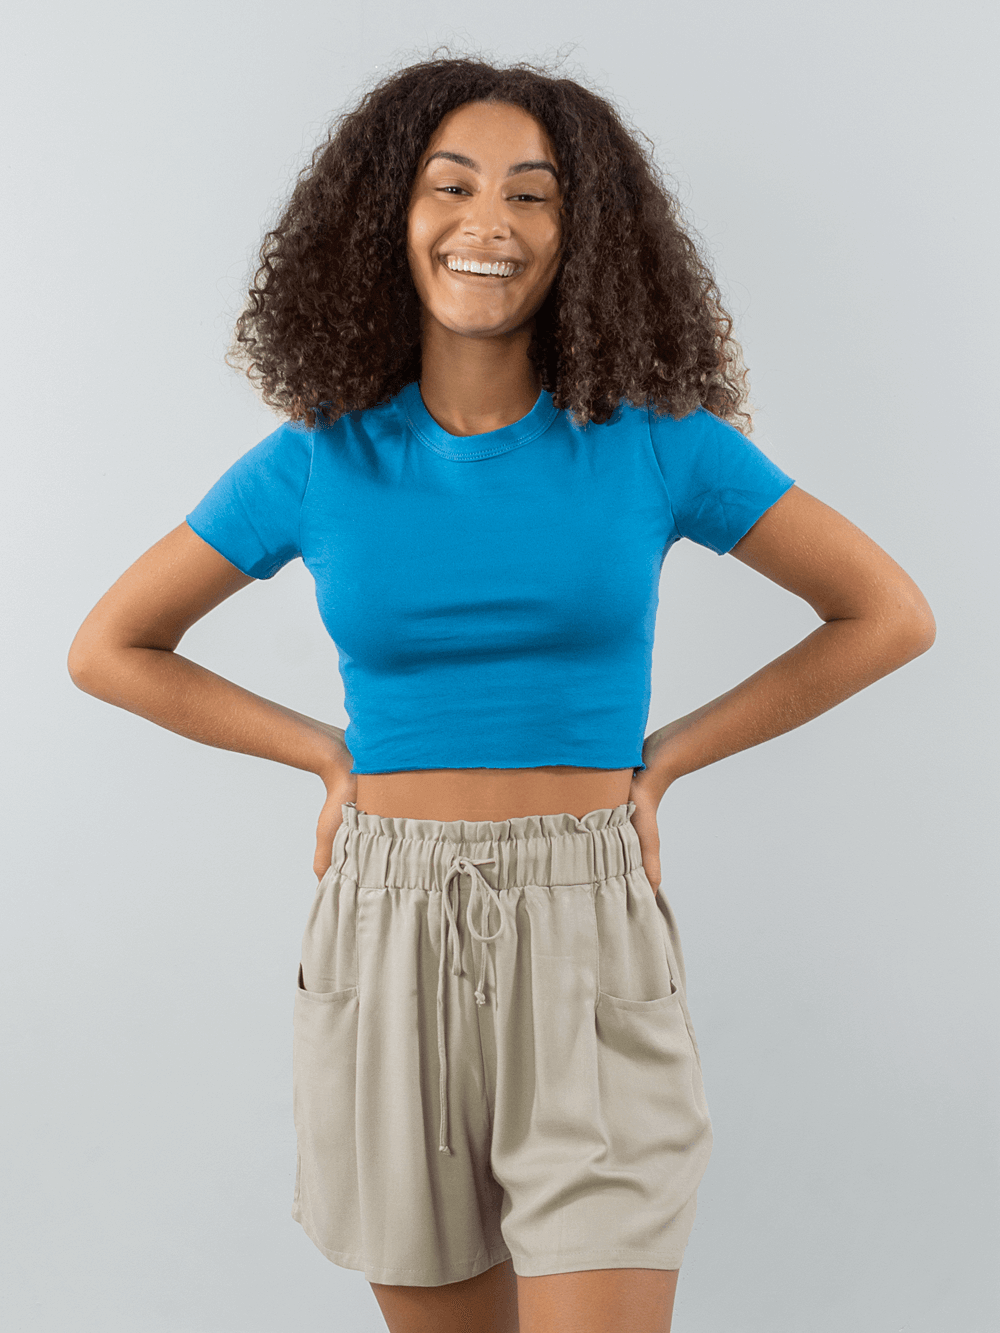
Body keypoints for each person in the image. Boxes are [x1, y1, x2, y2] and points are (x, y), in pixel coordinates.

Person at [66, 54, 936, 1333]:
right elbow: (109, 647)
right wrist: (323, 754)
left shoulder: (654, 435)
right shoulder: (320, 451)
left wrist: (667, 759)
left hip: (588, 922)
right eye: (451, 184)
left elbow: (886, 614)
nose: (490, 222)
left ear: (581, 234)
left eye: (533, 195)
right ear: (387, 218)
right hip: (384, 920)